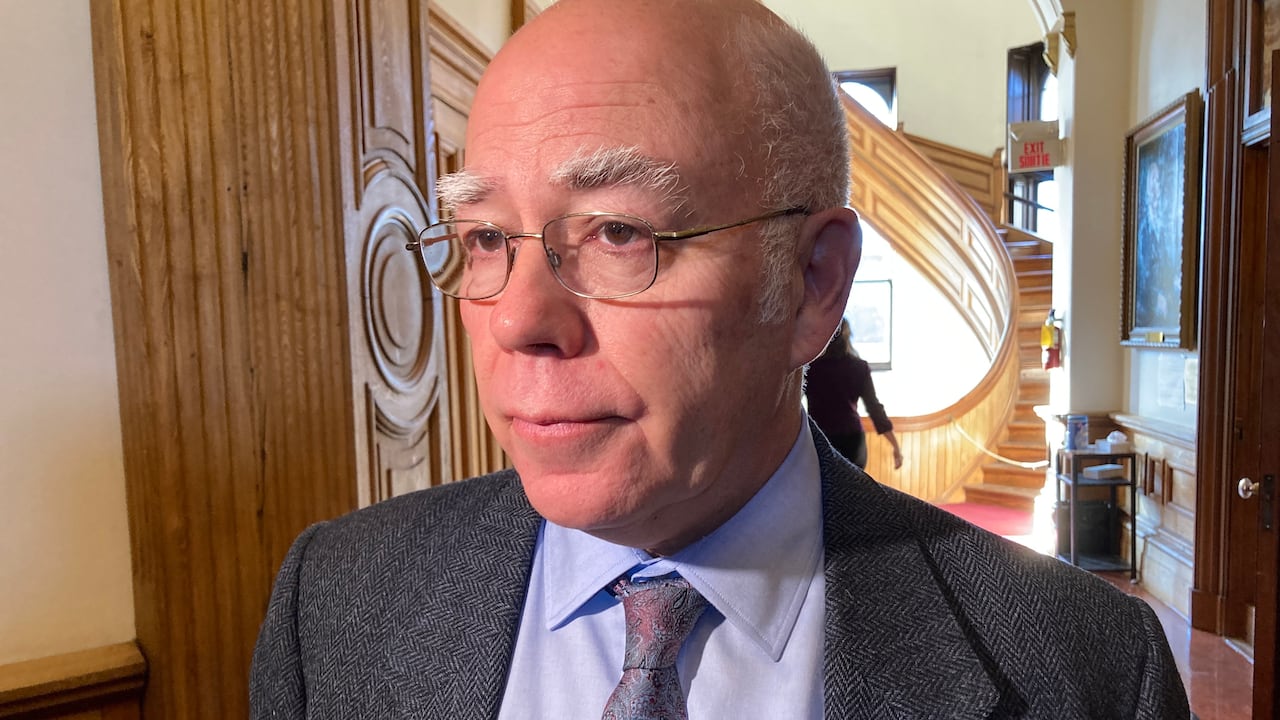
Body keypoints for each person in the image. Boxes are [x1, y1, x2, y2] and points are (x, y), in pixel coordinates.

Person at [250, 1, 1190, 718]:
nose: (520, 322)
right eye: (486, 237)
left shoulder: (1086, 667)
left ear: (813, 284)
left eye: (619, 233)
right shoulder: (333, 602)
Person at [805, 317, 903, 469]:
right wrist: (895, 445)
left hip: (819, 439)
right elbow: (874, 408)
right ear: (847, 336)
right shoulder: (859, 367)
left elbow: (790, 405)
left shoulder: (810, 368)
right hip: (853, 440)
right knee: (852, 491)